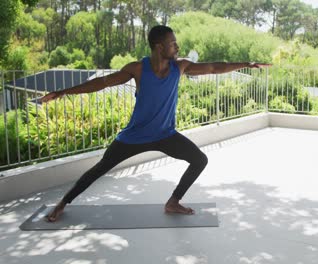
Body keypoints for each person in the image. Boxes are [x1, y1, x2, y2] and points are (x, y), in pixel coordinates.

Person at [40, 25, 271, 222]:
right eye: (173, 44)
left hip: (165, 135)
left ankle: (173, 202)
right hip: (133, 137)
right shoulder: (137, 69)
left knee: (200, 160)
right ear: (160, 47)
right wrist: (63, 92)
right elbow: (102, 82)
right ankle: (63, 203)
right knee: (99, 169)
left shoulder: (180, 67)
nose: (177, 48)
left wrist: (247, 64)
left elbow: (214, 67)